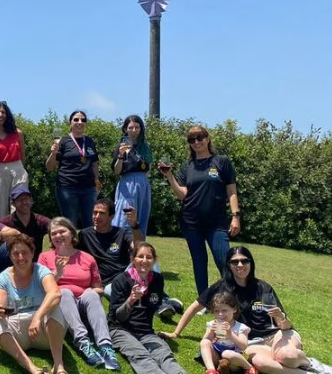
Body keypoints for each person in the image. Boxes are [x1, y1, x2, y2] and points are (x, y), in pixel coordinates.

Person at [162, 247, 332, 374]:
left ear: (251, 263)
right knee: (261, 363)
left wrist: (282, 318)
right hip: (251, 342)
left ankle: (311, 364)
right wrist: (176, 333)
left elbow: (285, 325)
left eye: (244, 261)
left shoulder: (263, 288)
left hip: (277, 334)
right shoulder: (222, 287)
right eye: (235, 262)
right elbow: (195, 306)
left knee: (288, 356)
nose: (240, 265)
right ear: (229, 265)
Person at [107, 242, 220, 374]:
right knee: (139, 353)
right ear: (133, 259)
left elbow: (154, 305)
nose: (144, 260)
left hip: (145, 330)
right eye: (140, 256)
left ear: (154, 260)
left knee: (163, 352)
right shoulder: (121, 280)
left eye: (149, 257)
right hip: (120, 329)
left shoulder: (157, 280)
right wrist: (130, 301)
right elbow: (118, 317)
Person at [159, 125, 241, 296]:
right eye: (192, 139)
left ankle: (234, 297)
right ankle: (204, 300)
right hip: (191, 223)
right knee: (199, 263)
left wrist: (236, 216)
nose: (196, 142)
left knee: (224, 261)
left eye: (200, 138)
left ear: (207, 138)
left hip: (217, 223)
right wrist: (169, 176)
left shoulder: (221, 162)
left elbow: (232, 192)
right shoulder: (187, 166)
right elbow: (182, 195)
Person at [0, 234, 73, 374]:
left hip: (45, 332)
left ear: (33, 253)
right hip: (19, 334)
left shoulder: (41, 271)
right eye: (15, 253)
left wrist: (37, 317)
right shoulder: (4, 277)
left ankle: (59, 367)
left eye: (24, 252)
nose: (20, 257)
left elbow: (55, 293)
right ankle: (33, 370)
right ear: (10, 256)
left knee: (54, 307)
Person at [77, 198, 183, 319]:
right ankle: (164, 304)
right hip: (109, 282)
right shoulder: (84, 235)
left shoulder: (121, 233)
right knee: (114, 294)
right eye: (95, 212)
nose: (97, 216)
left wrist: (134, 225)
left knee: (148, 258)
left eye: (102, 213)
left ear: (111, 217)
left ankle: (162, 300)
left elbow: (139, 246)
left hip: (128, 273)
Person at [37, 217, 120, 370]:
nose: (58, 236)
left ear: (72, 233)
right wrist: (57, 273)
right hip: (60, 305)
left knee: (91, 293)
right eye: (53, 233)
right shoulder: (45, 257)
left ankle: (105, 346)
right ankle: (83, 343)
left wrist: (89, 293)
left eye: (62, 231)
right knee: (64, 292)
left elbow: (99, 288)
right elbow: (42, 288)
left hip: (83, 305)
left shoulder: (87, 258)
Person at [45, 110, 101, 229]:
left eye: (83, 120)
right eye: (76, 119)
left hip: (89, 189)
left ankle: (87, 242)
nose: (79, 122)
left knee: (90, 224)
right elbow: (49, 167)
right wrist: (53, 153)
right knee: (70, 224)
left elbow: (94, 163)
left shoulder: (89, 141)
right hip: (67, 188)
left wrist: (97, 181)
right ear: (69, 123)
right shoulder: (63, 141)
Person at [0, 185, 51, 283]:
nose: (24, 202)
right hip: (11, 264)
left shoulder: (40, 221)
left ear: (31, 201)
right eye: (20, 200)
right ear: (13, 203)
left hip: (32, 263)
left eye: (27, 199)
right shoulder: (5, 223)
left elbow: (55, 227)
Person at [200, 292, 257, 374]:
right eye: (216, 311)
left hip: (233, 360)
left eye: (224, 310)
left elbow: (243, 346)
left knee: (227, 353)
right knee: (204, 342)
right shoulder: (213, 324)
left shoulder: (240, 327)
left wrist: (230, 335)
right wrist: (211, 332)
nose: (220, 314)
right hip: (217, 356)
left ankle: (250, 368)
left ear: (234, 309)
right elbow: (204, 342)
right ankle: (212, 372)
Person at [0, 101, 28, 219]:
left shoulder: (17, 133)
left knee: (20, 204)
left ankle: (19, 230)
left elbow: (22, 155)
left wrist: (22, 170)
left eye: (3, 112)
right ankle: (1, 230)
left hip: (17, 169)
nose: (0, 115)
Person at [112, 115, 153, 235]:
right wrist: (120, 155)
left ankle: (139, 243)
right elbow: (116, 171)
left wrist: (141, 179)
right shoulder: (121, 146)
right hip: (127, 183)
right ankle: (121, 240)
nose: (134, 130)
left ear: (141, 128)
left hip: (143, 184)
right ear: (126, 129)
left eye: (137, 127)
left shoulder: (144, 146)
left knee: (142, 214)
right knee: (125, 214)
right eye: (131, 127)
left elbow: (148, 167)